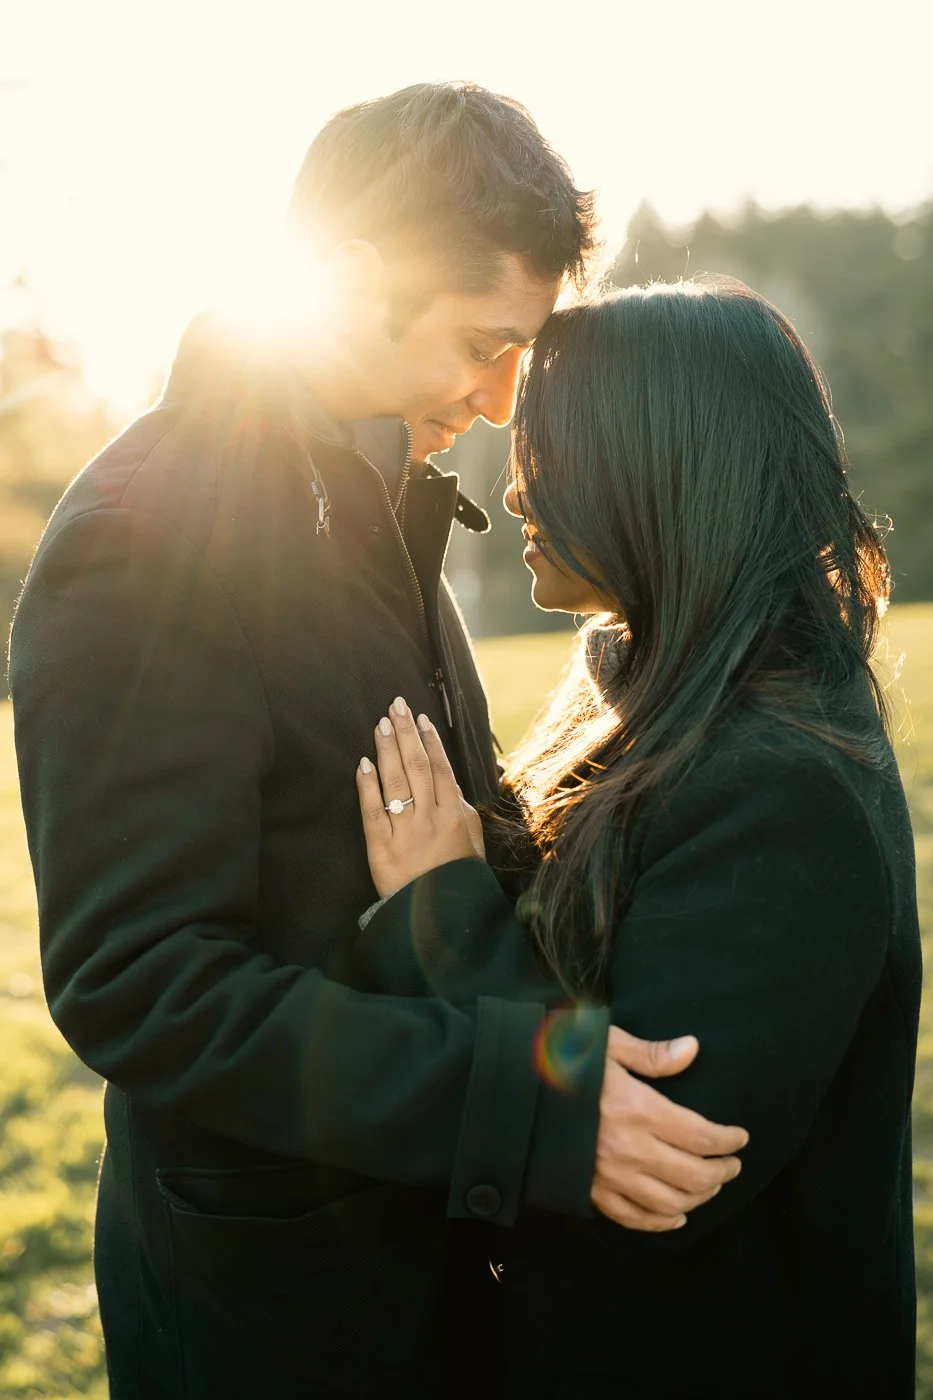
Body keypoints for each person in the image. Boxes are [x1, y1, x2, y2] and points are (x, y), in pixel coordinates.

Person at [8, 89, 748, 1400]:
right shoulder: (147, 531)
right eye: (482, 341)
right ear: (352, 285)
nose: (504, 395)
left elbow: (448, 869)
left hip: (431, 1264)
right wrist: (525, 1102)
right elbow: (141, 981)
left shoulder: (378, 502)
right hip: (277, 1318)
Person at [353, 279, 922, 1398]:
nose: (512, 489)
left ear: (659, 464)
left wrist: (445, 914)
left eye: (551, 449)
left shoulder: (780, 789)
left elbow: (652, 1176)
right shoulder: (657, 693)